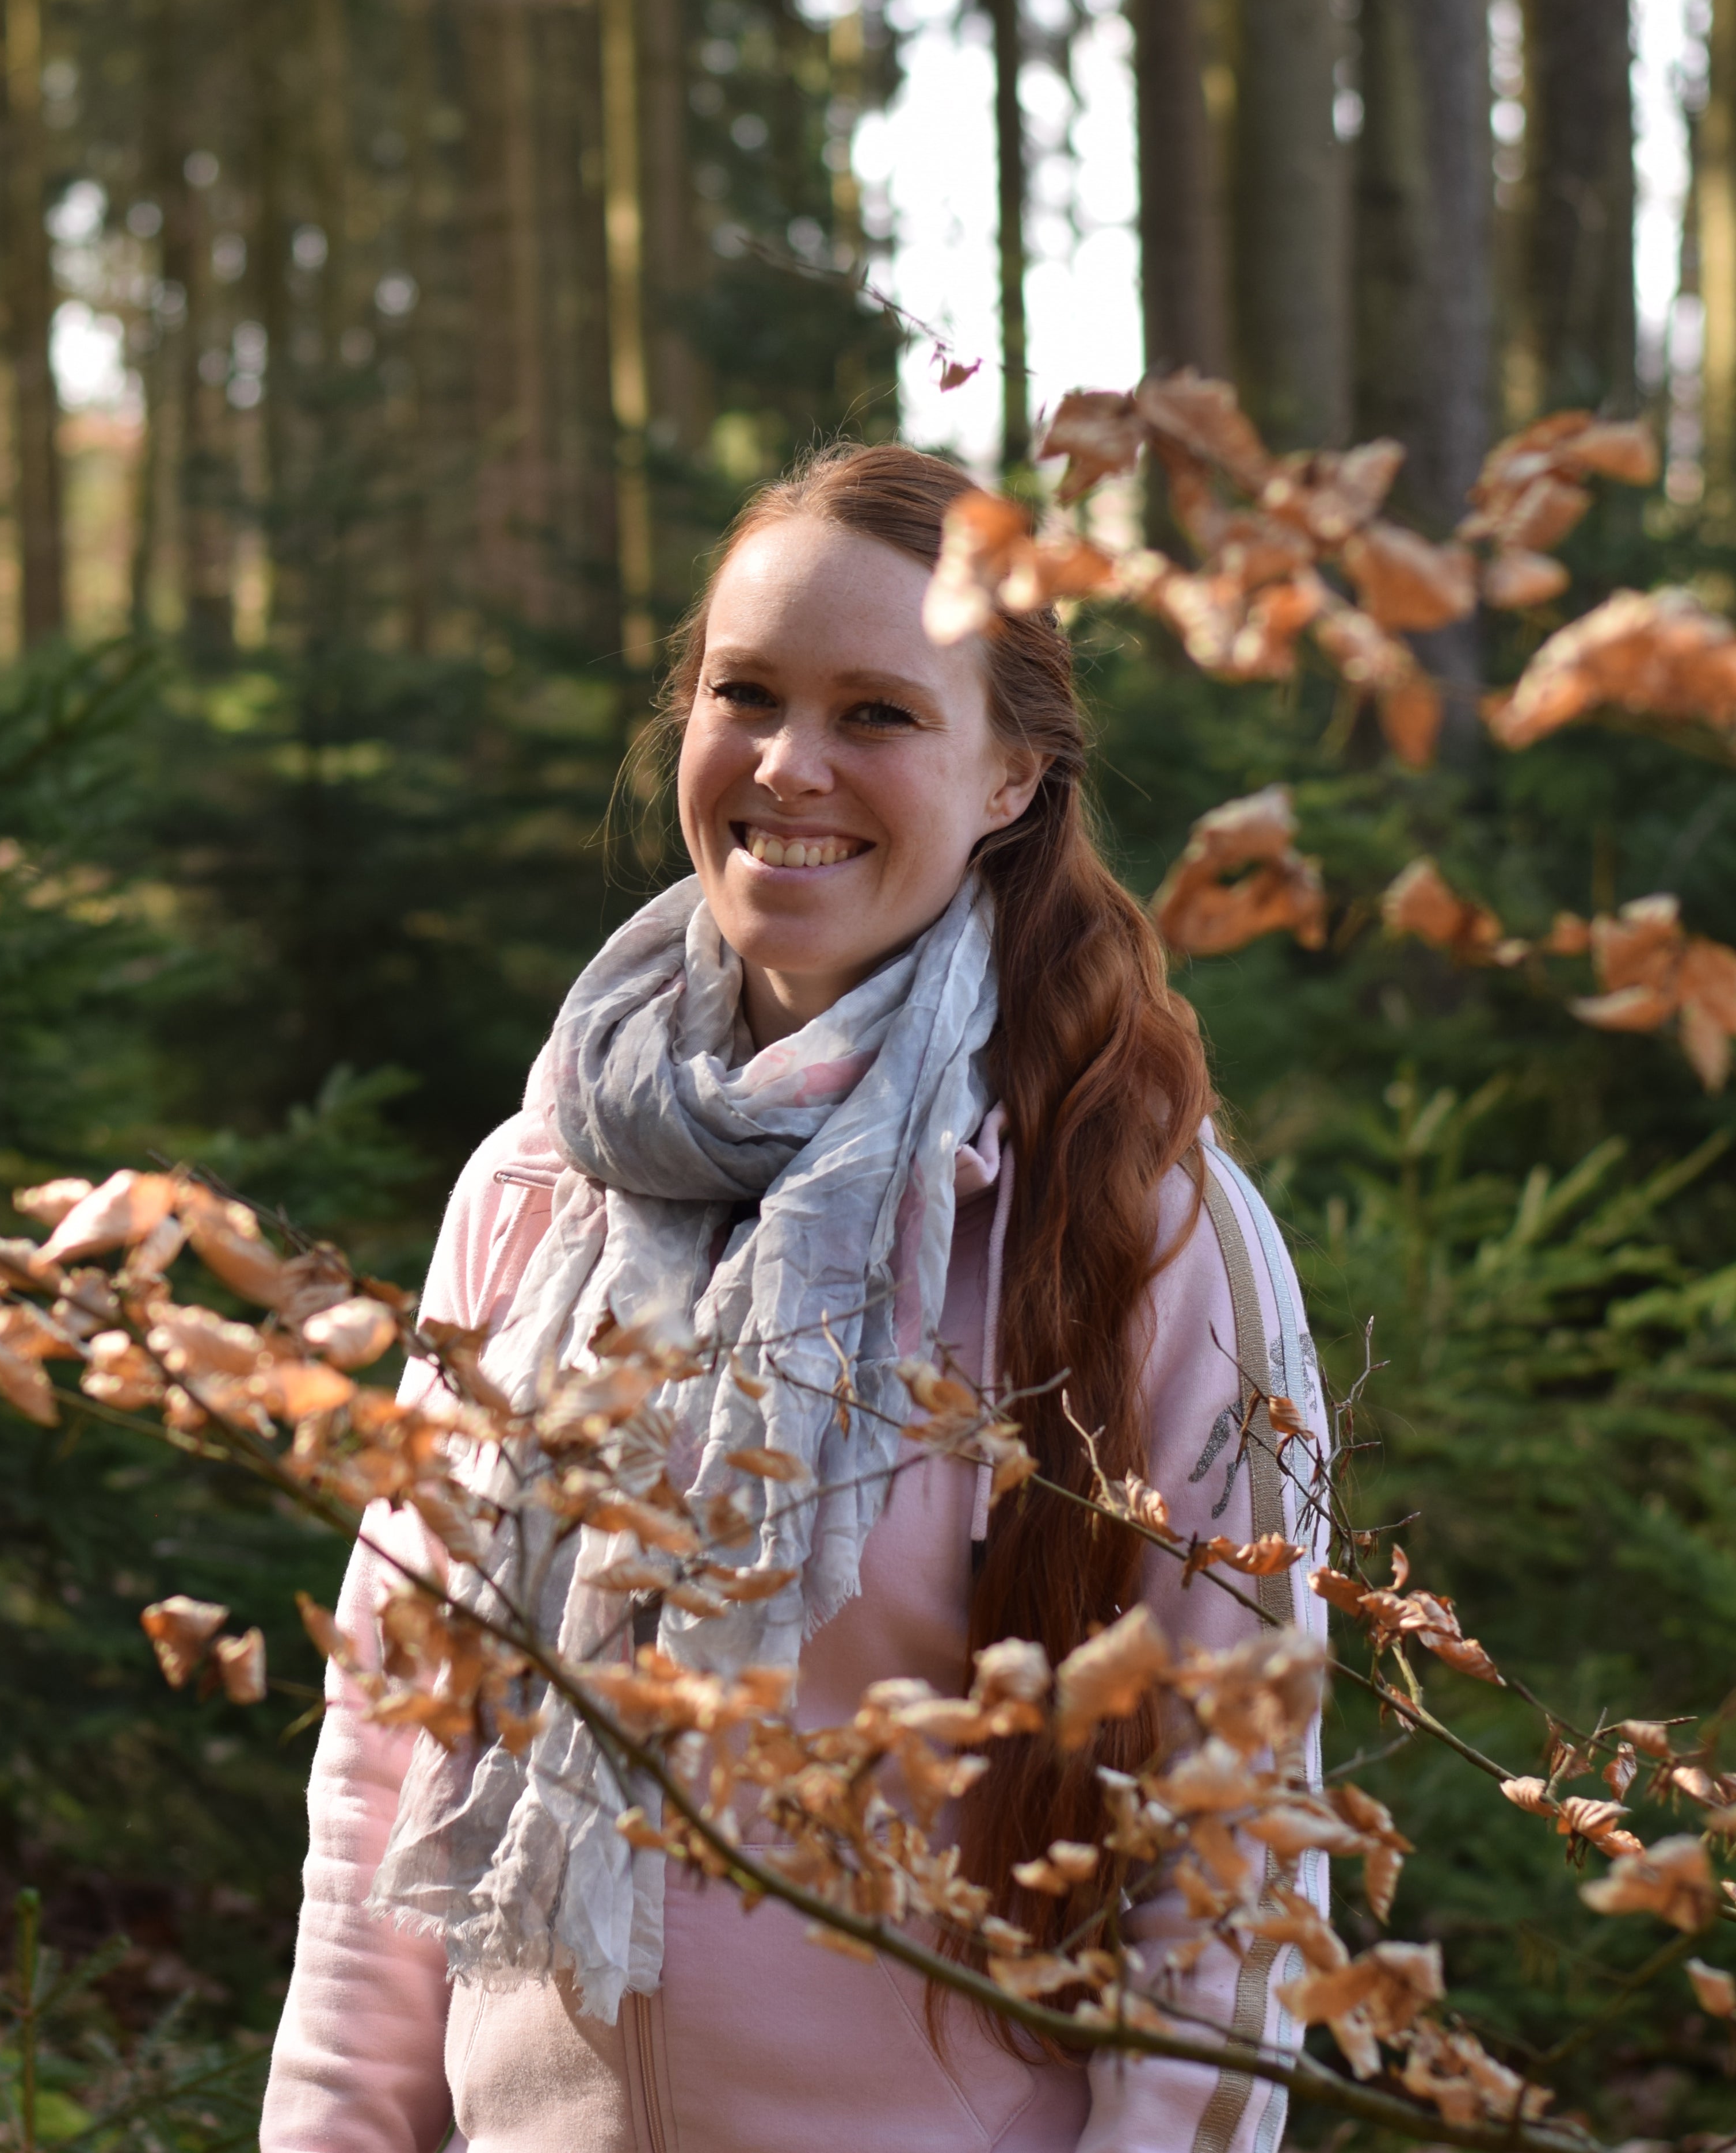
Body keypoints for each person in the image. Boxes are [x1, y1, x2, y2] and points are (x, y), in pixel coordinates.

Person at [260, 442, 1329, 2153]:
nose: (789, 765)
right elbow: (396, 1737)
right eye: (743, 693)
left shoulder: (1135, 1226)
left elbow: (1227, 1870)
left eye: (880, 714)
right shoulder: (538, 1185)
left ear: (1010, 777)